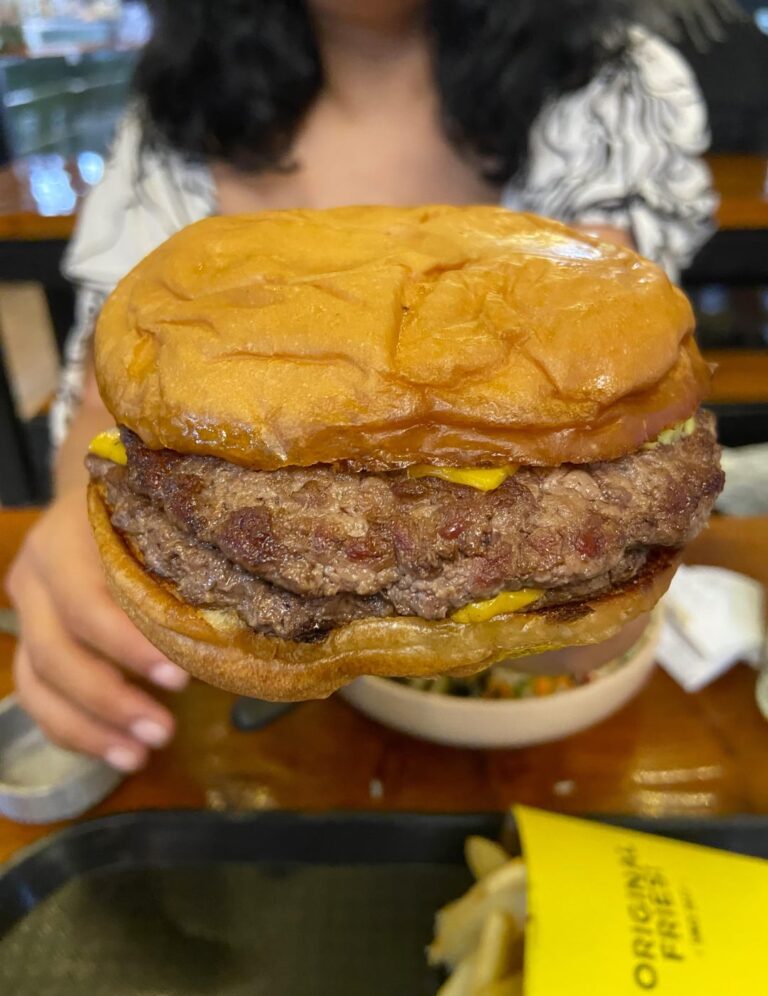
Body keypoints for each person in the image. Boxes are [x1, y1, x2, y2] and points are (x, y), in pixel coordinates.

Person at [6, 0, 716, 771]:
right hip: (237, 746)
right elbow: (116, 399)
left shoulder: (613, 84)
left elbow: (593, 620)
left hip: (545, 749)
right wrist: (75, 542)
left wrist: (549, 588)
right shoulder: (180, 102)